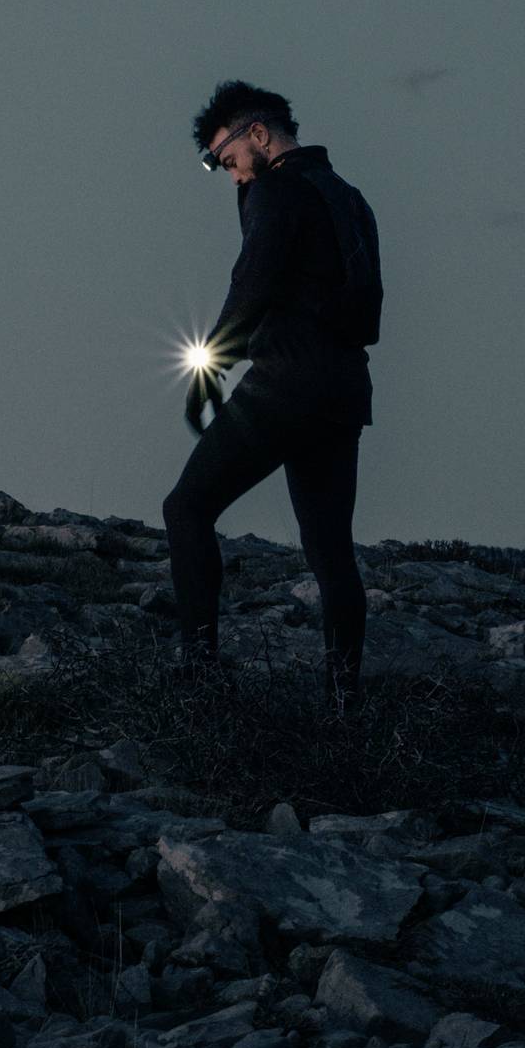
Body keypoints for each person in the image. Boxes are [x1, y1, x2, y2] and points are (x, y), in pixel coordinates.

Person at [162, 80, 382, 701]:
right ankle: (345, 702)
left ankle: (199, 674)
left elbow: (251, 280)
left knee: (186, 508)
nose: (232, 177)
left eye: (228, 161)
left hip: (285, 384)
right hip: (344, 388)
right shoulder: (351, 198)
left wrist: (212, 367)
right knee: (331, 549)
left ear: (258, 134)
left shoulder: (274, 190)